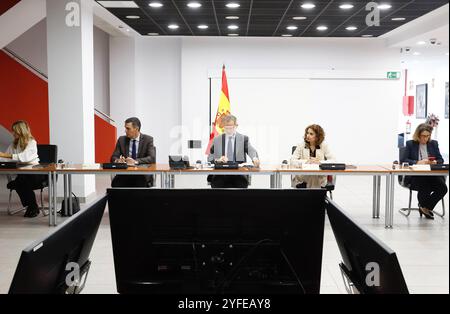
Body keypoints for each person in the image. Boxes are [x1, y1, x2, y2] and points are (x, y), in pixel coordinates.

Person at [400, 123, 448, 219]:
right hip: (416, 175)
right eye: (423, 136)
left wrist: (435, 161)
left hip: (431, 174)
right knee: (425, 185)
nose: (425, 138)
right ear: (418, 135)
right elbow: (403, 160)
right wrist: (418, 162)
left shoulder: (433, 143)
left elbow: (440, 159)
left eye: (427, 136)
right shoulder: (410, 144)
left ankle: (425, 207)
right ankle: (424, 207)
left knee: (443, 188)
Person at [0, 121, 43, 218]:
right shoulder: (14, 144)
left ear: (21, 131)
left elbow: (24, 157)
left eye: (15, 131)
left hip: (36, 173)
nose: (13, 133)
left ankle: (32, 206)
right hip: (23, 174)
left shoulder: (32, 142)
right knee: (21, 181)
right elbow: (5, 158)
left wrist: (4, 155)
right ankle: (32, 207)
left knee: (20, 182)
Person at [208, 115, 260, 188]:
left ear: (236, 126)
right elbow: (210, 157)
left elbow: (250, 150)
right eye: (226, 128)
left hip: (239, 173)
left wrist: (254, 158)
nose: (228, 130)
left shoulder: (243, 138)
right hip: (221, 173)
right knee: (217, 183)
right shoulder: (217, 139)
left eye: (231, 128)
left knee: (241, 184)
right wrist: (218, 160)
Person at [110, 117, 156, 187]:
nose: (125, 131)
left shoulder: (148, 139)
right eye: (125, 128)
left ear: (136, 129)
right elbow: (113, 157)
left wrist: (135, 161)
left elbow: (152, 158)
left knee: (140, 184)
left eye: (128, 128)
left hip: (141, 173)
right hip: (125, 173)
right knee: (116, 183)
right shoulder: (121, 139)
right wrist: (118, 160)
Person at [290, 124, 334, 189]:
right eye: (307, 133)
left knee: (314, 176)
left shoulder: (324, 146)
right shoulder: (301, 145)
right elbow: (292, 160)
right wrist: (306, 162)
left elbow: (333, 161)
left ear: (317, 136)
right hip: (303, 176)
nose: (308, 135)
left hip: (319, 177)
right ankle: (316, 197)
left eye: (311, 134)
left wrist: (320, 162)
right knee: (312, 176)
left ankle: (310, 197)